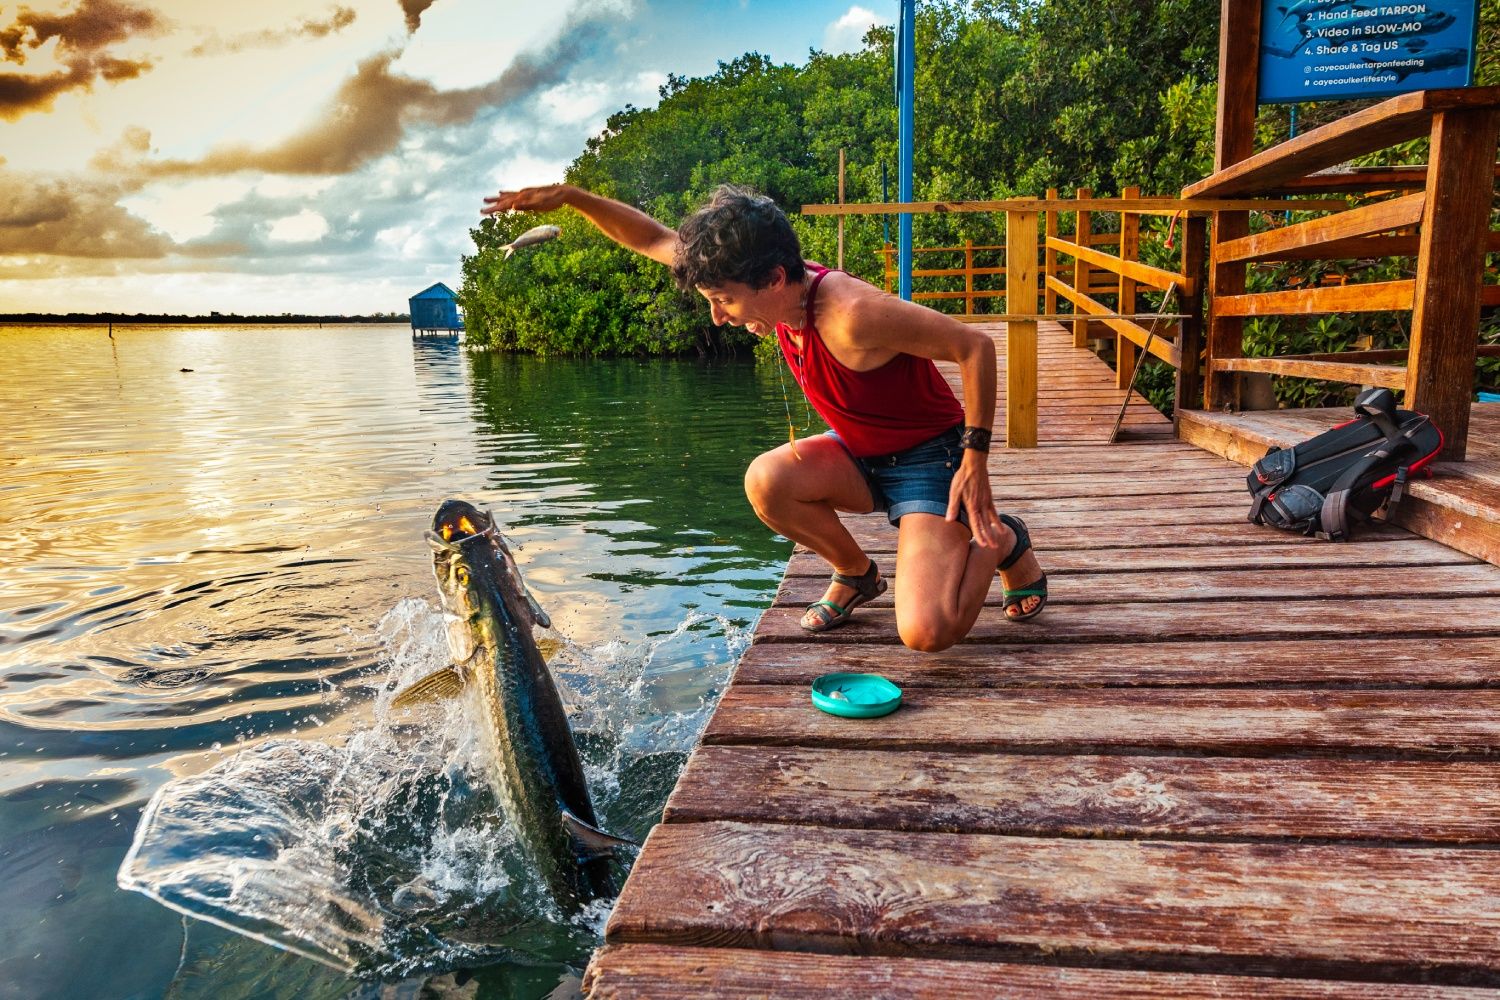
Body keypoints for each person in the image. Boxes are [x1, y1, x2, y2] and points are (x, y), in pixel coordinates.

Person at [481, 183, 1046, 652]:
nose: (719, 317)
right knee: (766, 482)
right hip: (859, 450)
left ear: (774, 279)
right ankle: (856, 573)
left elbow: (975, 347)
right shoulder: (769, 289)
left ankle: (1001, 543)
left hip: (931, 457)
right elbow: (652, 237)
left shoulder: (853, 316)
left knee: (927, 632)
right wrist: (571, 196)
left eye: (723, 300)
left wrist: (975, 460)